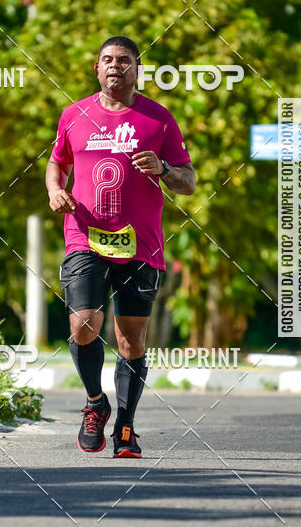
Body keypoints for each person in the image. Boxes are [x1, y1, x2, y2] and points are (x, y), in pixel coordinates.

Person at [46, 36, 195, 457]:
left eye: (124, 61)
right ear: (96, 68)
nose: (116, 67)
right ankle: (95, 403)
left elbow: (188, 181)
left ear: (137, 69)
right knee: (83, 325)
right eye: (108, 60)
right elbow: (57, 161)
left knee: (131, 340)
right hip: (85, 237)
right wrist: (56, 190)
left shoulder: (158, 119)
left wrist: (165, 169)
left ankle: (126, 427)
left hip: (140, 245)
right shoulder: (74, 114)